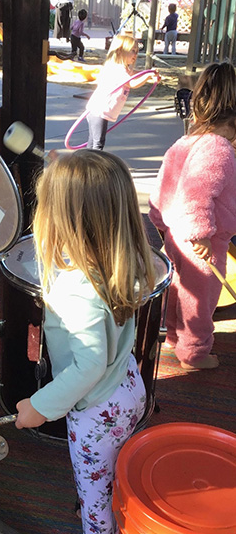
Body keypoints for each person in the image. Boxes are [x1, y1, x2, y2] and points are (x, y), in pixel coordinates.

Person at [15, 150, 156, 534]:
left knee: (93, 492)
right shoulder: (121, 258)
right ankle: (113, 499)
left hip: (96, 410)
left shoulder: (78, 291)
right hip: (127, 384)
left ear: (64, 220)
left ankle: (100, 521)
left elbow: (89, 365)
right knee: (117, 465)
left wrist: (40, 407)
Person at [149, 62, 236, 370]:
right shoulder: (220, 149)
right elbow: (198, 193)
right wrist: (201, 235)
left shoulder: (184, 143)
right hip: (204, 241)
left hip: (175, 235)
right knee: (201, 299)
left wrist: (163, 225)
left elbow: (162, 188)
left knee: (177, 291)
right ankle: (195, 352)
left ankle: (174, 336)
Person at [86, 34, 160, 151]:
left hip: (101, 110)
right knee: (97, 143)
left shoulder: (123, 68)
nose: (135, 55)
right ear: (120, 51)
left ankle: (86, 163)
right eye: (132, 51)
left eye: (137, 51)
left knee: (93, 141)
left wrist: (147, 73)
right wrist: (148, 76)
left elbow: (133, 73)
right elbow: (132, 83)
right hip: (99, 110)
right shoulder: (117, 69)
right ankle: (92, 165)